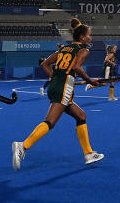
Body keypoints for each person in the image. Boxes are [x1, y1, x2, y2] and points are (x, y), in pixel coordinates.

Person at [13, 19, 104, 170]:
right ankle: (23, 145)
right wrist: (90, 81)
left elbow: (44, 64)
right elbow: (77, 67)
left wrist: (54, 76)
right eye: (89, 35)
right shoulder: (84, 50)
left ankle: (88, 154)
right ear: (82, 37)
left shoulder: (63, 49)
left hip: (56, 85)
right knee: (50, 122)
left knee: (81, 116)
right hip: (64, 88)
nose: (91, 38)